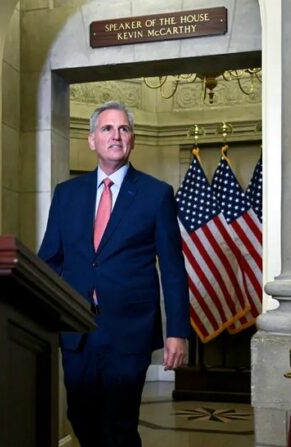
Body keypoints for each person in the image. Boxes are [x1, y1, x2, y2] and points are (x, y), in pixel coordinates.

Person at [38, 101, 190, 447]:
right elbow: (50, 260)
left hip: (129, 330)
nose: (116, 135)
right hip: (77, 329)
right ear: (92, 140)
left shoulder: (156, 194)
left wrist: (177, 332)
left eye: (123, 129)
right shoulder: (67, 194)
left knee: (119, 425)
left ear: (132, 140)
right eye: (107, 129)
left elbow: (172, 268)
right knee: (80, 416)